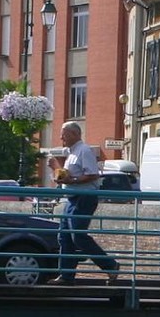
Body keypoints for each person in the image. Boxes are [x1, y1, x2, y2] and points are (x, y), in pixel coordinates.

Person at [48, 121, 119, 284]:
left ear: (74, 134)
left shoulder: (84, 151)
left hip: (84, 198)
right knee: (64, 237)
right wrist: (57, 171)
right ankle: (66, 276)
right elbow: (67, 177)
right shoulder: (72, 153)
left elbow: (92, 174)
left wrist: (71, 181)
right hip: (72, 198)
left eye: (64, 134)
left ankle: (110, 265)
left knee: (78, 237)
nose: (61, 137)